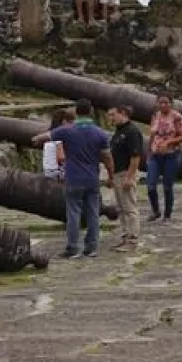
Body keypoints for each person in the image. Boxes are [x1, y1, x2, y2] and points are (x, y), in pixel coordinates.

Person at [32, 99, 115, 258]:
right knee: (93, 213)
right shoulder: (100, 133)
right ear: (91, 112)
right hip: (92, 178)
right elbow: (107, 157)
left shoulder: (66, 130)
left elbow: (45, 136)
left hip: (73, 178)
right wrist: (111, 176)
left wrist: (35, 139)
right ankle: (92, 247)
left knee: (73, 213)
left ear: (77, 112)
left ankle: (73, 248)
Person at [146, 92, 182, 222]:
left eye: (166, 102)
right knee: (151, 185)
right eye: (161, 102)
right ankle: (156, 211)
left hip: (171, 155)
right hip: (155, 154)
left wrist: (169, 142)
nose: (163, 105)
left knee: (167, 186)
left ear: (171, 103)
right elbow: (152, 134)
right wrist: (149, 151)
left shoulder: (177, 117)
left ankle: (167, 215)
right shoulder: (155, 115)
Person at [108, 104, 144, 250]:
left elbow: (135, 156)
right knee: (121, 208)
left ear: (122, 113)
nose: (111, 118)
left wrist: (130, 176)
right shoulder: (119, 131)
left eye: (113, 115)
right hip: (117, 173)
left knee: (129, 207)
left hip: (125, 172)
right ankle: (125, 235)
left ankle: (133, 239)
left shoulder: (132, 131)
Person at [41, 108, 74, 181]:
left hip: (48, 171)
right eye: (69, 121)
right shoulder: (59, 136)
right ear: (64, 121)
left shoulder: (50, 134)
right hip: (56, 172)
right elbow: (61, 157)